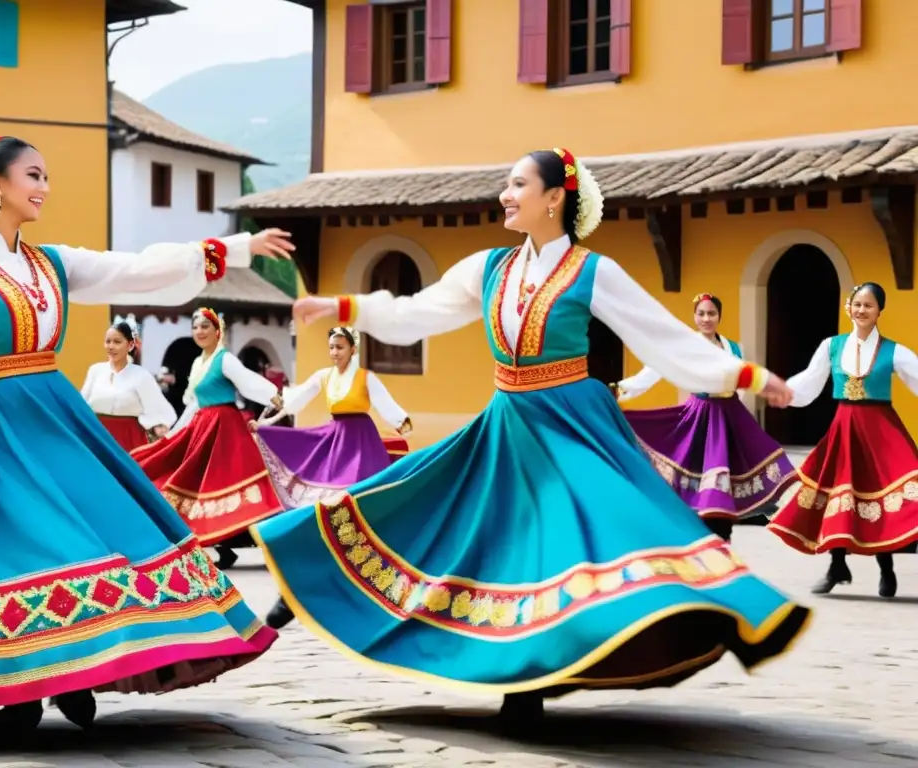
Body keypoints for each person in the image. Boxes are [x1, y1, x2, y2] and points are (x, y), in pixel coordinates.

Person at [251, 147, 810, 724]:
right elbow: (417, 314)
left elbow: (662, 337)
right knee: (418, 503)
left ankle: (535, 684)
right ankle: (309, 581)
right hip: (508, 419)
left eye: (518, 183)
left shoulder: (594, 272)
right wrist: (343, 305)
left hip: (571, 422)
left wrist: (746, 375)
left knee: (578, 535)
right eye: (506, 183)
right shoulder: (488, 267)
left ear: (554, 198)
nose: (505, 194)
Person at [0, 135, 295, 730]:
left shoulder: (52, 262)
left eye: (47, 175)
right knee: (19, 549)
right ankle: (25, 690)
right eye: (33, 174)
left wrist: (233, 248)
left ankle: (81, 671)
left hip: (55, 417)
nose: (45, 187)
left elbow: (134, 269)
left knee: (96, 539)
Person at [251, 325, 412, 629]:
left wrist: (401, 422)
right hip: (336, 440)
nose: (335, 352)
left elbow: (385, 404)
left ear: (353, 348)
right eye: (332, 347)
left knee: (360, 507)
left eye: (340, 346)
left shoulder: (366, 377)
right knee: (325, 507)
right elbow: (297, 398)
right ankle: (308, 587)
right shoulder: (324, 377)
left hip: (362, 444)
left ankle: (380, 583)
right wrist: (268, 421)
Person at [768, 282, 918, 598]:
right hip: (845, 426)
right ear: (848, 308)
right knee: (840, 492)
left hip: (879, 429)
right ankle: (837, 565)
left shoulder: (894, 351)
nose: (861, 310)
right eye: (857, 304)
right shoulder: (831, 346)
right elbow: (810, 380)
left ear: (880, 311)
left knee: (879, 494)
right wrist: (784, 391)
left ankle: (887, 570)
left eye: (869, 305)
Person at [611, 293, 796, 541]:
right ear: (694, 316)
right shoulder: (684, 346)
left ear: (719, 316)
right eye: (701, 313)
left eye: (711, 313)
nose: (706, 318)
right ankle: (708, 533)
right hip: (701, 415)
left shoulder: (732, 347)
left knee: (738, 470)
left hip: (730, 414)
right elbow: (654, 372)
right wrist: (618, 390)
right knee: (704, 474)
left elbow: (741, 381)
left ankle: (725, 531)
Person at [132, 308, 285, 570]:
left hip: (226, 430)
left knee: (227, 483)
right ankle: (223, 546)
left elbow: (247, 382)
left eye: (205, 326)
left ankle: (272, 542)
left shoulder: (224, 359)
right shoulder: (198, 363)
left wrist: (273, 395)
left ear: (217, 331)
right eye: (195, 327)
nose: (199, 332)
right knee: (198, 485)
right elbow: (195, 404)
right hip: (203, 428)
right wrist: (173, 433)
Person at [80, 321, 177, 452]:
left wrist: (158, 424)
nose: (111, 346)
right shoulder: (95, 370)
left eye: (117, 342)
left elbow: (158, 408)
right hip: (97, 436)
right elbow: (81, 405)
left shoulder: (141, 375)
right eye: (108, 341)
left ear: (130, 345)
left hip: (129, 438)